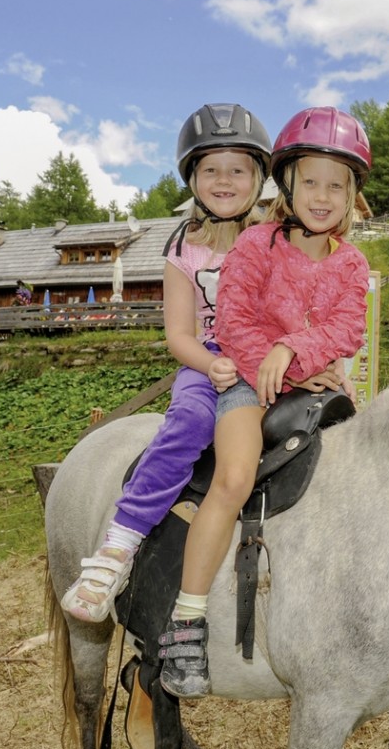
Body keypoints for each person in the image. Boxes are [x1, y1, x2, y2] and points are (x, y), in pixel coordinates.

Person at [158, 107, 372, 698]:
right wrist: (268, 364)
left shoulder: (353, 263)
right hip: (248, 381)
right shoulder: (256, 244)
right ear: (287, 185)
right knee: (232, 476)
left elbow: (346, 328)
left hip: (311, 378)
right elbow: (231, 319)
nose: (322, 195)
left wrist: (295, 350)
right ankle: (187, 620)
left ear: (353, 195)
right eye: (310, 182)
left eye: (337, 184)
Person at [60, 103, 272, 623]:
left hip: (269, 361)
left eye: (237, 169)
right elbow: (178, 335)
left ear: (259, 177)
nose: (224, 180)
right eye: (210, 169)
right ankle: (119, 545)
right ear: (193, 179)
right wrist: (208, 362)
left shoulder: (276, 240)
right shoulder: (183, 249)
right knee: (189, 424)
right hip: (209, 363)